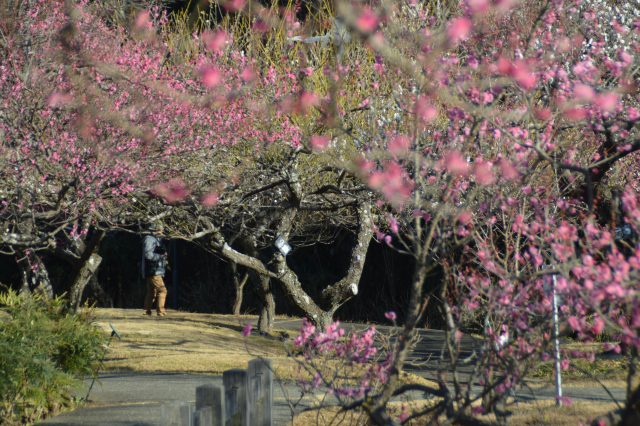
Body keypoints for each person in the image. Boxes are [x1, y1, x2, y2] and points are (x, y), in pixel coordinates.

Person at [141, 223, 168, 316]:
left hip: (152, 270)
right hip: (153, 270)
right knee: (162, 290)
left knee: (152, 292)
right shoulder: (150, 239)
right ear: (155, 230)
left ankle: (146, 310)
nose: (162, 232)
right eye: (160, 230)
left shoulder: (155, 239)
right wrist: (161, 256)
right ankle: (161, 311)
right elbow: (148, 255)